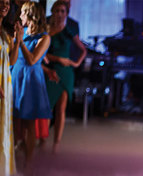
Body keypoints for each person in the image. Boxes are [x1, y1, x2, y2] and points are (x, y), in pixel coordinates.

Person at [11, 1, 51, 173]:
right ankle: (12, 158)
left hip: (30, 80)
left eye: (22, 14)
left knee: (28, 123)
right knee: (12, 119)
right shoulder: (22, 32)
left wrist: (20, 42)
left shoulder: (44, 37)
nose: (20, 17)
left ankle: (28, 162)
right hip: (16, 75)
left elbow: (33, 60)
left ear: (30, 15)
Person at [42, 0, 86, 153]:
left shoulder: (70, 29)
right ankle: (43, 140)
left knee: (61, 109)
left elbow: (83, 49)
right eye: (57, 11)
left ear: (67, 13)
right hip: (51, 70)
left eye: (63, 11)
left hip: (66, 72)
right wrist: (57, 59)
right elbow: (40, 51)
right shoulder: (46, 26)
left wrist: (76, 64)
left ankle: (56, 144)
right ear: (52, 12)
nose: (60, 14)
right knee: (47, 107)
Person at [0, 0, 21, 176]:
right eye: (1, 2)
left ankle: (2, 171)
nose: (4, 5)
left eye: (7, 3)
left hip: (5, 81)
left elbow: (12, 61)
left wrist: (19, 38)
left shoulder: (6, 33)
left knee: (4, 125)